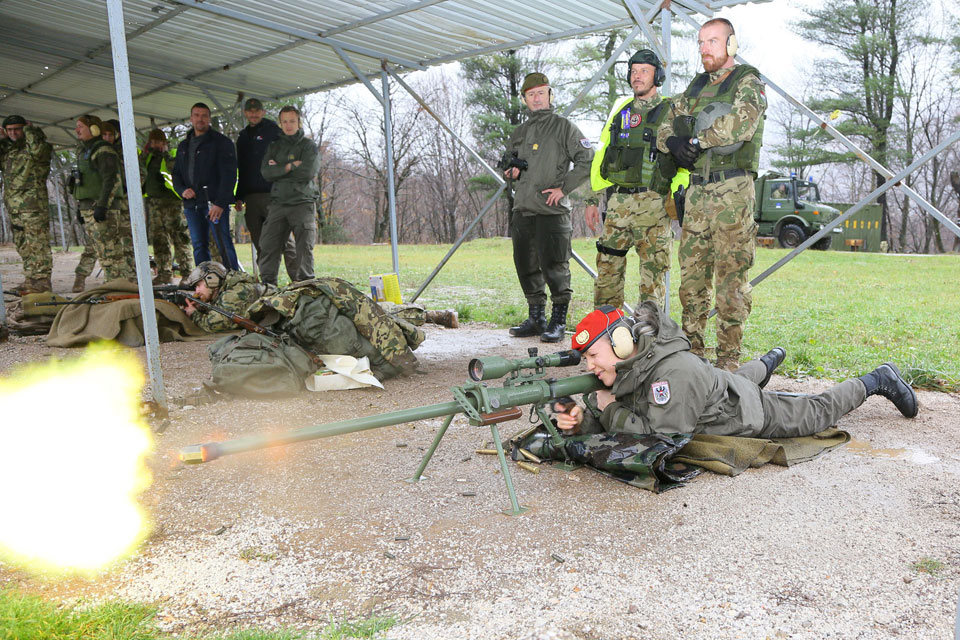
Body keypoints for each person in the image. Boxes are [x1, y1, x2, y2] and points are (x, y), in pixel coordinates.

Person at [555, 304, 918, 439]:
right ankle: (768, 361)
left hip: (747, 412)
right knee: (732, 378)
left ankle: (876, 379)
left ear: (621, 343)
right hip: (715, 390)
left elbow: (663, 435)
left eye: (593, 355)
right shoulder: (633, 364)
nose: (590, 365)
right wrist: (581, 420)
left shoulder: (673, 374)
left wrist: (608, 409)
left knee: (816, 413)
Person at [656, 18, 767, 371]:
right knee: (691, 280)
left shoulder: (748, 81)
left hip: (733, 191)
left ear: (731, 44)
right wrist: (671, 142)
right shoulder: (695, 87)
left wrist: (695, 140)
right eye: (701, 42)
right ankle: (692, 358)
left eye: (713, 42)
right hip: (698, 194)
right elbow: (663, 121)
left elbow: (741, 123)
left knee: (731, 281)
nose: (705, 48)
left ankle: (729, 364)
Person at [505, 72, 593, 342]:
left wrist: (564, 189)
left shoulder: (563, 127)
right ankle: (536, 318)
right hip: (523, 209)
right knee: (526, 265)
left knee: (555, 267)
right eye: (531, 94)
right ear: (524, 99)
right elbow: (508, 165)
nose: (536, 98)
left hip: (552, 213)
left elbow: (587, 158)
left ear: (550, 95)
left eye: (541, 93)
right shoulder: (519, 132)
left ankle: (557, 321)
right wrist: (510, 172)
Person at [586, 50, 674, 309]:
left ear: (657, 76)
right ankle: (606, 332)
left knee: (652, 276)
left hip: (654, 204)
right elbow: (603, 155)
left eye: (644, 71)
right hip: (618, 203)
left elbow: (684, 161)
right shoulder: (620, 111)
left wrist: (680, 200)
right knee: (607, 270)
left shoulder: (671, 111)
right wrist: (592, 198)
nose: (637, 76)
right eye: (634, 71)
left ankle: (650, 337)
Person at [171, 102, 240, 271]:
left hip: (214, 204)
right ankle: (204, 283)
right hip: (192, 205)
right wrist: (182, 190)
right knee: (199, 246)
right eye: (196, 115)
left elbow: (229, 175)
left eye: (204, 116)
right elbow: (176, 174)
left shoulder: (221, 143)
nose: (200, 119)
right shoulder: (183, 146)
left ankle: (235, 282)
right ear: (191, 118)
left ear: (209, 119)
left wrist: (220, 203)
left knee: (223, 244)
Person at [235, 98, 298, 279]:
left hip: (274, 195)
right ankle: (268, 283)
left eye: (257, 111)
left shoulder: (274, 132)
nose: (254, 114)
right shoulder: (243, 137)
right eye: (250, 111)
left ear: (263, 112)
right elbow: (242, 168)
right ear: (245, 113)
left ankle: (300, 281)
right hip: (251, 198)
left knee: (284, 239)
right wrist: (238, 196)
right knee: (261, 242)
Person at [258, 105, 320, 286]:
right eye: (284, 121)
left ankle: (305, 286)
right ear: (280, 123)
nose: (288, 125)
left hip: (302, 202)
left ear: (299, 122)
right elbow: (266, 172)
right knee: (268, 245)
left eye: (292, 121)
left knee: (304, 248)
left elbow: (308, 172)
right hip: (278, 203)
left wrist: (278, 168)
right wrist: (290, 165)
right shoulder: (275, 146)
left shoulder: (309, 146)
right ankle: (268, 286)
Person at [71, 114, 136, 282]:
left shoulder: (103, 150)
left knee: (110, 252)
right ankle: (115, 286)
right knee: (102, 251)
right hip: (89, 206)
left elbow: (110, 179)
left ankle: (119, 287)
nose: (76, 130)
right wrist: (80, 206)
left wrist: (102, 206)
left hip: (100, 207)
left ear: (93, 129)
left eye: (81, 126)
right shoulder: (86, 151)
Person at [0, 114, 53, 294]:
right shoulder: (9, 151)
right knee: (22, 244)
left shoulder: (37, 147)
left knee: (37, 243)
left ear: (25, 129)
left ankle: (42, 281)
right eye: (10, 130)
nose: (14, 133)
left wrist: (31, 130)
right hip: (14, 207)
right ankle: (30, 279)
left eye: (18, 129)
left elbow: (39, 151)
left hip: (34, 207)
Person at [141, 129, 192, 285]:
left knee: (179, 238)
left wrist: (165, 154)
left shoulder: (173, 154)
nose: (155, 145)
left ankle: (187, 274)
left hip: (173, 204)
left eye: (158, 142)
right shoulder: (147, 158)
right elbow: (137, 168)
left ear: (164, 143)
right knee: (159, 239)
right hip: (154, 204)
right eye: (153, 142)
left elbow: (176, 170)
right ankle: (164, 273)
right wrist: (145, 153)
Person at [181, 261, 270, 333]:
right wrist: (201, 307)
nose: (197, 291)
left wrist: (193, 314)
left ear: (212, 280)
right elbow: (220, 308)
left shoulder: (232, 294)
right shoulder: (228, 288)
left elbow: (214, 325)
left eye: (198, 285)